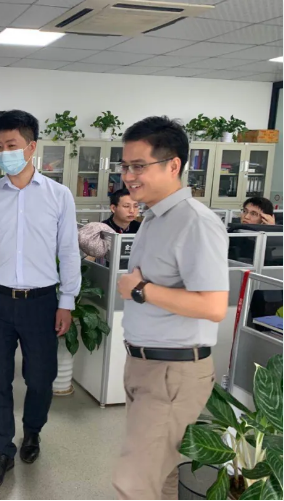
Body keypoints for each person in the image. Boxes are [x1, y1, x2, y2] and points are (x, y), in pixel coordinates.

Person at [0, 110, 81, 490]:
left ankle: (33, 430)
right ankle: (2, 450)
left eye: (11, 145)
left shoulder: (58, 196)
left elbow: (69, 250)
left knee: (41, 378)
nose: (4, 153)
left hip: (41, 303)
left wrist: (67, 301)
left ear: (31, 147)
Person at [113, 116, 229, 500]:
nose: (128, 176)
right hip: (145, 365)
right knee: (160, 478)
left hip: (172, 372)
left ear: (173, 165)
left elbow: (213, 306)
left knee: (134, 483)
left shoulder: (195, 222)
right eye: (125, 166)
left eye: (139, 166)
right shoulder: (152, 217)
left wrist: (141, 289)